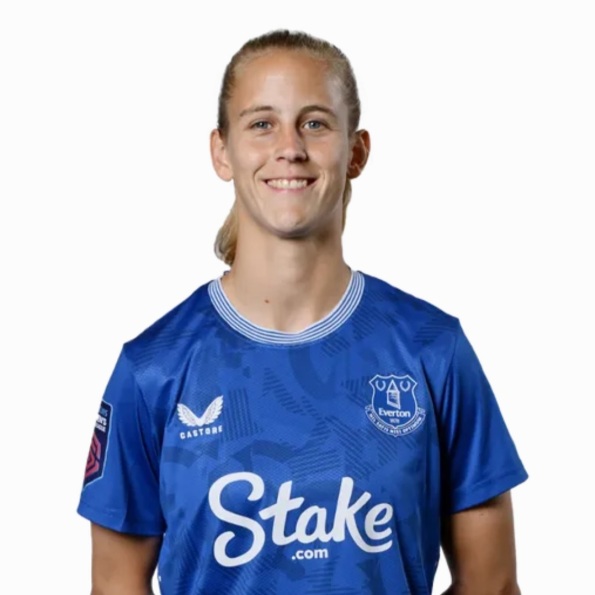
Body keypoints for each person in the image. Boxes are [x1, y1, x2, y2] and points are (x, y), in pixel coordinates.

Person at [77, 29, 528, 595]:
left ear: (356, 151)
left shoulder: (433, 351)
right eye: (261, 124)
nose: (289, 147)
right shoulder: (152, 370)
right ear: (222, 151)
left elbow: (493, 584)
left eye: (315, 123)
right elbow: (115, 586)